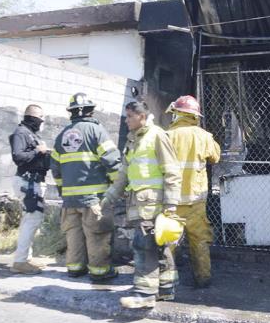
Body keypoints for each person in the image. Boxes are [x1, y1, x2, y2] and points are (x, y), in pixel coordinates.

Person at [104, 101, 182, 309]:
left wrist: (171, 204)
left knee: (143, 245)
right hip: (140, 203)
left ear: (141, 116)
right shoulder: (133, 140)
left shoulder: (157, 136)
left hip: (153, 204)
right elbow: (124, 174)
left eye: (129, 116)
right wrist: (110, 196)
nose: (126, 120)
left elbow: (172, 171)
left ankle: (145, 294)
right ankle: (166, 289)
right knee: (159, 246)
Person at [50, 93, 121, 281]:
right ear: (91, 111)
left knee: (74, 235)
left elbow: (56, 170)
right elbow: (113, 162)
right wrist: (118, 188)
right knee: (97, 234)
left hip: (69, 200)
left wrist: (63, 193)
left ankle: (75, 268)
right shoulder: (97, 131)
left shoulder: (61, 136)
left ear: (71, 112)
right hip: (93, 198)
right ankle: (100, 271)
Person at [164, 95, 221, 288]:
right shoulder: (203, 136)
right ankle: (203, 279)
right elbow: (215, 157)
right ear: (195, 115)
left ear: (177, 114)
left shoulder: (166, 136)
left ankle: (167, 282)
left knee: (168, 242)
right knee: (199, 241)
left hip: (171, 201)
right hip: (195, 200)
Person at [9, 104, 50, 274]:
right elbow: (18, 157)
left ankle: (26, 258)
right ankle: (20, 261)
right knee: (32, 219)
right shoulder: (21, 132)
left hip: (32, 182)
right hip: (28, 182)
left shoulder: (30, 133)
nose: (41, 121)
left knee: (30, 220)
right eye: (40, 118)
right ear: (33, 117)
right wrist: (38, 151)